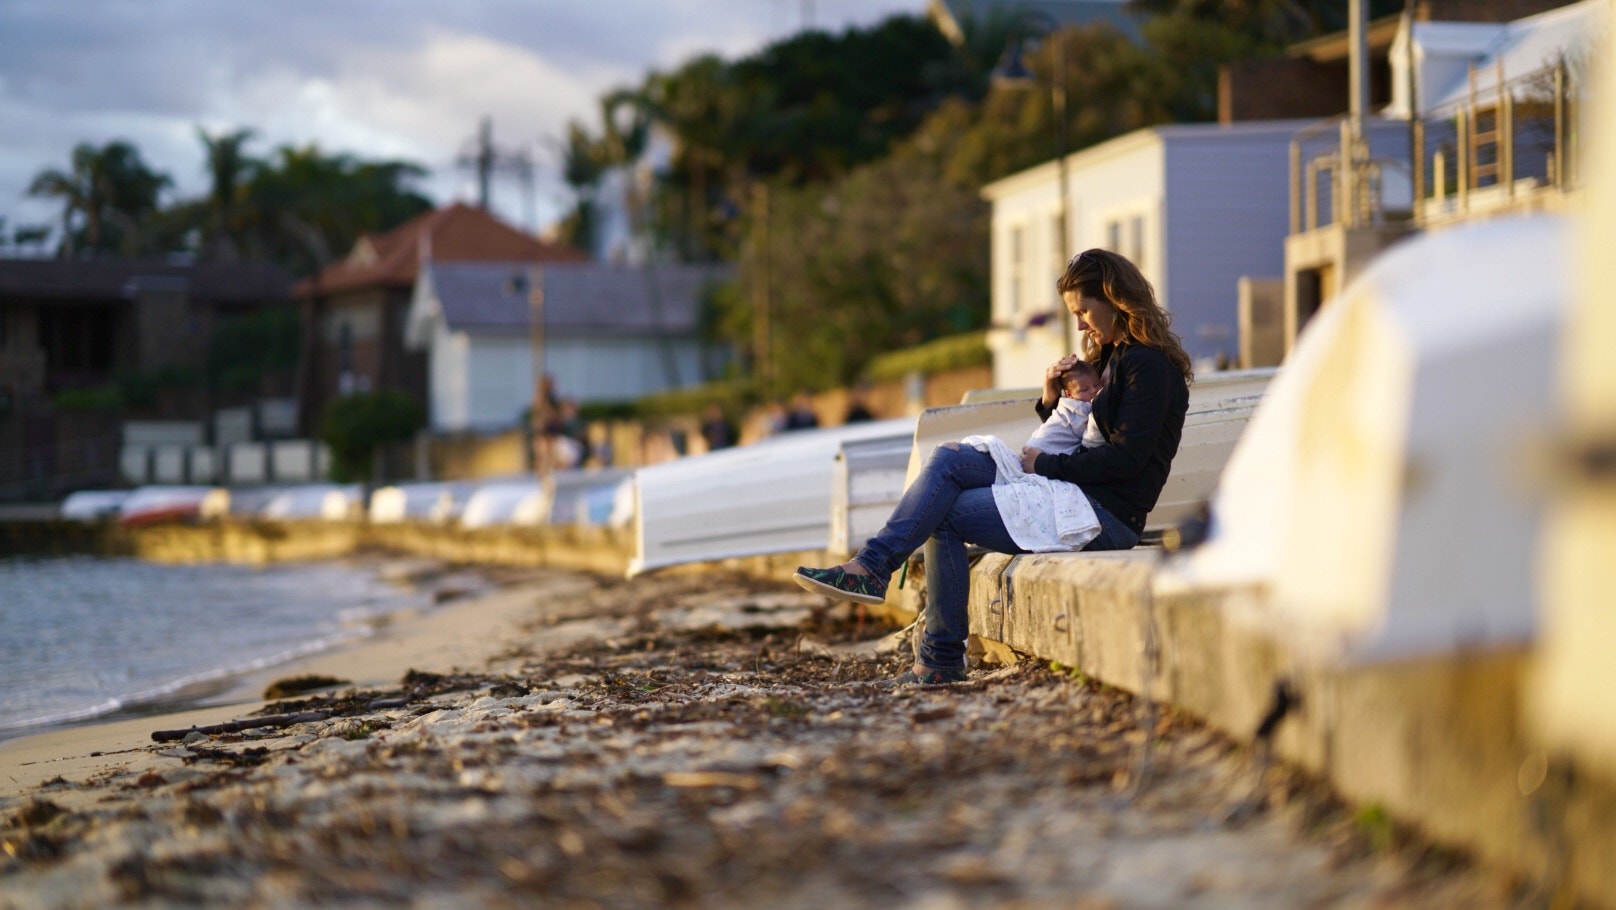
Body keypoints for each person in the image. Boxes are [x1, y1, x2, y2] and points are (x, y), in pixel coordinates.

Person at [792, 249, 1193, 685]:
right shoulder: (1113, 357)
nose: (1079, 325)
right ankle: (873, 571)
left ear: (1116, 299)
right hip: (1072, 492)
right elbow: (1080, 431)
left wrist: (1045, 465)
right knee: (948, 460)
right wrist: (1050, 400)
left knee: (944, 515)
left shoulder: (1149, 367)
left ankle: (936, 655)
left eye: (1083, 311)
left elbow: (1126, 459)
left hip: (1106, 514)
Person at [1024, 358, 1107, 455]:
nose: (1094, 390)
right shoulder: (1077, 409)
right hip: (1041, 447)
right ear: (1069, 394)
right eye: (1084, 390)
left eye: (1097, 384)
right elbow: (1086, 433)